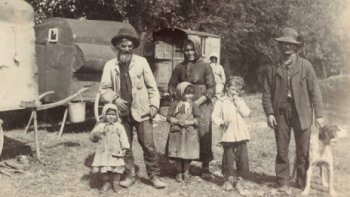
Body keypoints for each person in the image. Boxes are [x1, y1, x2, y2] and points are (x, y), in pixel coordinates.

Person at [99, 27, 166, 189]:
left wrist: (154, 105)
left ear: (133, 47)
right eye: (123, 46)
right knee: (124, 146)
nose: (127, 49)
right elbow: (104, 89)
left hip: (142, 111)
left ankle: (154, 176)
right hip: (121, 115)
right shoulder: (110, 65)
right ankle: (129, 174)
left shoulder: (141, 62)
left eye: (130, 46)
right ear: (117, 47)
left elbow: (152, 87)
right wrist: (115, 99)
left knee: (148, 145)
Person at [262, 27, 324, 193]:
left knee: (303, 150)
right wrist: (269, 113)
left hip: (302, 112)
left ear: (296, 47)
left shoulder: (306, 66)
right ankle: (283, 182)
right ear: (280, 46)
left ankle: (302, 181)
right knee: (282, 149)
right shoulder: (273, 68)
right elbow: (266, 93)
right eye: (283, 44)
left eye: (290, 44)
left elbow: (315, 91)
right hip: (281, 113)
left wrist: (319, 114)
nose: (287, 47)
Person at [168, 38, 216, 179]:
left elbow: (211, 88)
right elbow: (171, 85)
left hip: (202, 104)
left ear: (198, 49)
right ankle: (181, 166)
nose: (190, 52)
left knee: (203, 132)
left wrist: (197, 103)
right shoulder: (179, 67)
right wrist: (177, 98)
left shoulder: (206, 66)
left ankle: (205, 166)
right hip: (184, 105)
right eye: (187, 50)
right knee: (182, 132)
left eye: (192, 49)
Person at [211, 76, 250, 191]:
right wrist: (221, 123)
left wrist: (238, 103)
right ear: (227, 88)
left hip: (241, 134)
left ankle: (240, 179)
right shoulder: (221, 101)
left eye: (238, 91)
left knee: (242, 157)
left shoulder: (240, 101)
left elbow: (247, 113)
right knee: (228, 157)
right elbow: (214, 116)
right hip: (228, 134)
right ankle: (227, 179)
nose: (234, 92)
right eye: (232, 89)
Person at [90, 104, 130, 193]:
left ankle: (116, 183)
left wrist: (124, 148)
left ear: (116, 115)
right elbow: (93, 136)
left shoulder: (119, 126)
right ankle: (107, 183)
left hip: (116, 151)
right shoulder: (101, 126)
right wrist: (95, 135)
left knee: (117, 167)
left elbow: (123, 137)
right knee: (105, 168)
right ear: (104, 115)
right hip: (104, 152)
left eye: (113, 114)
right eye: (108, 114)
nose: (111, 116)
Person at [166, 82, 201, 182]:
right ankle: (178, 172)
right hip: (177, 132)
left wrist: (190, 122)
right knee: (177, 153)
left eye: (191, 93)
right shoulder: (175, 104)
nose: (189, 96)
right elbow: (168, 117)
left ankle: (186, 172)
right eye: (186, 93)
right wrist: (176, 121)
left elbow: (199, 118)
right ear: (180, 93)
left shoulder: (193, 105)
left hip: (189, 132)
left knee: (188, 153)